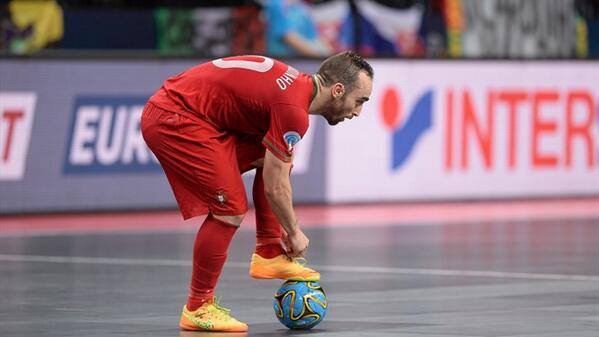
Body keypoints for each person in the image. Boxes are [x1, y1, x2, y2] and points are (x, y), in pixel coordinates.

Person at [141, 51, 373, 332]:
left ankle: (268, 251)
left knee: (273, 156)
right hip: (175, 118)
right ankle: (197, 307)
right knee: (230, 210)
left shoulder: (295, 89)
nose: (358, 112)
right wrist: (294, 230)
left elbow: (275, 171)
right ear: (338, 90)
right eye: (359, 101)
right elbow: (275, 187)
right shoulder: (293, 110)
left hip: (188, 113)